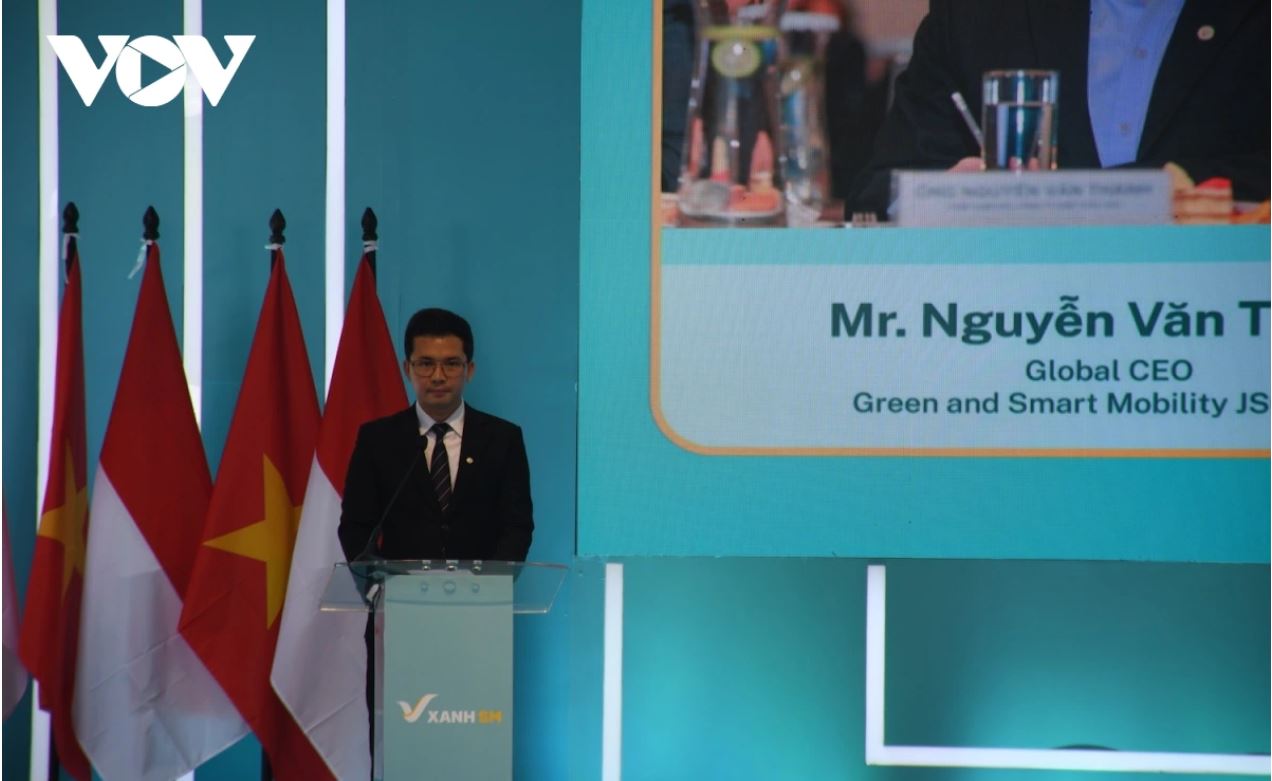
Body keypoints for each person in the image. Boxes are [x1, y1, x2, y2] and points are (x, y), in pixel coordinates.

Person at [847, 0, 1270, 217]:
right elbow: (875, 196)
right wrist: (943, 198)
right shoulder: (979, 15)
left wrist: (1081, 202)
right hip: (1016, 323)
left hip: (1219, 318)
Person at [338, 307, 533, 563]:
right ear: (408, 369)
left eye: (451, 364)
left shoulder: (503, 439)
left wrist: (492, 580)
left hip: (480, 587)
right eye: (426, 364)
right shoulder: (378, 440)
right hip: (399, 587)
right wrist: (378, 579)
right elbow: (356, 528)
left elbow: (517, 528)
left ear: (469, 369)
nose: (438, 377)